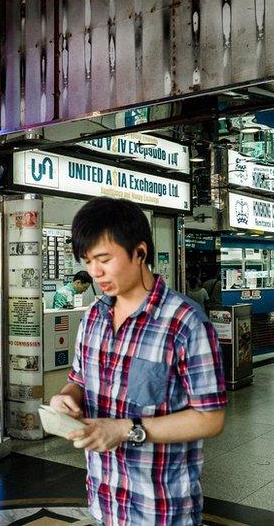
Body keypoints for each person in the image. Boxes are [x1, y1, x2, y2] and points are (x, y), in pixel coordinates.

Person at [48, 197, 226, 525]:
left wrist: (127, 430)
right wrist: (67, 398)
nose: (94, 272)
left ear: (140, 252)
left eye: (104, 259)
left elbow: (210, 419)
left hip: (161, 508)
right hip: (103, 500)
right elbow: (80, 380)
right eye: (88, 261)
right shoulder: (94, 318)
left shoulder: (184, 322)